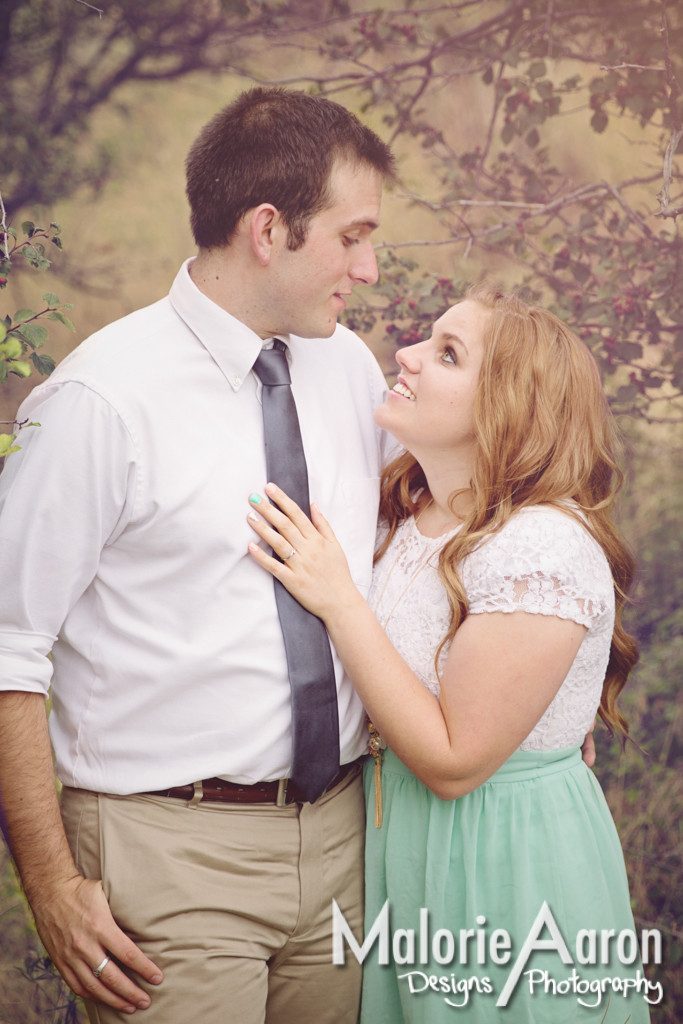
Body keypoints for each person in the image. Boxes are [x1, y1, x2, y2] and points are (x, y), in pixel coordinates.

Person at [0, 87, 397, 1024]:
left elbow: (414, 548)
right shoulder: (100, 400)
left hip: (345, 837)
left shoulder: (348, 365)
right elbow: (8, 648)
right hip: (166, 852)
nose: (371, 269)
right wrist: (51, 884)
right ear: (269, 229)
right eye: (351, 236)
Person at [245, 287, 650, 1023]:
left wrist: (337, 598)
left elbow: (457, 761)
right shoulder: (414, 503)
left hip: (503, 855)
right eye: (429, 340)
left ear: (506, 409)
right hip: (400, 838)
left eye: (447, 354)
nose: (407, 355)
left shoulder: (541, 547)